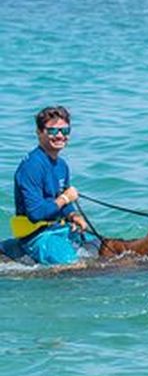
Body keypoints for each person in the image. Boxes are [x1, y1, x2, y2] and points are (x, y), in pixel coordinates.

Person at [11, 106, 95, 265]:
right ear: (39, 132)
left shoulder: (62, 165)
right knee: (75, 267)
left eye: (64, 131)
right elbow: (35, 213)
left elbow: (62, 205)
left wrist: (73, 215)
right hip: (37, 235)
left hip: (59, 228)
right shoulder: (32, 166)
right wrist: (65, 198)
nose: (60, 136)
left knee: (102, 248)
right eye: (53, 131)